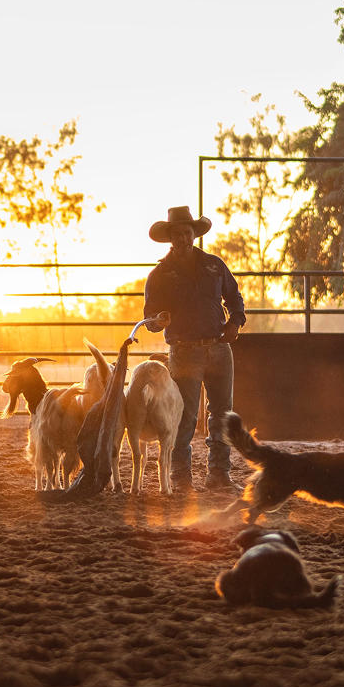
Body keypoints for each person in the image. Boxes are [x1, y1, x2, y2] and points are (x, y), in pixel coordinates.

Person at [143, 205, 245, 492]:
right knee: (185, 414)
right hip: (185, 351)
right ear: (171, 238)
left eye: (188, 232)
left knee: (223, 412)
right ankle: (182, 479)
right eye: (178, 234)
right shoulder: (160, 274)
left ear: (193, 234)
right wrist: (157, 321)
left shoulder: (214, 265)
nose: (184, 238)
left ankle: (219, 476)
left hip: (219, 347)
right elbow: (150, 316)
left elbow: (234, 297)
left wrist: (235, 322)